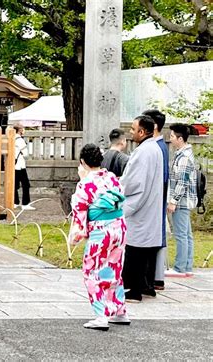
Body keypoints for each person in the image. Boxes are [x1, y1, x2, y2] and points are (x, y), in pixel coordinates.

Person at [69, 144, 129, 331]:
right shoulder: (111, 178)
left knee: (92, 271)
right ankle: (119, 310)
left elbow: (80, 213)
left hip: (100, 231)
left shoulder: (85, 184)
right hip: (119, 227)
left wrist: (76, 236)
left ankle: (101, 315)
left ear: (82, 162)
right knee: (114, 268)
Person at [120, 115, 164, 303]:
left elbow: (133, 182)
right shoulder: (154, 149)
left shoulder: (143, 152)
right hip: (150, 205)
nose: (131, 133)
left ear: (142, 131)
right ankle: (146, 287)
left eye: (133, 129)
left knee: (134, 252)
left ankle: (133, 291)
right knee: (145, 252)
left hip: (140, 207)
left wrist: (118, 188)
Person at [165, 123, 197, 277]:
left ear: (180, 138)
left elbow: (182, 182)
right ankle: (187, 266)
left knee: (181, 235)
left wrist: (173, 201)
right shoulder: (183, 154)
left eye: (172, 136)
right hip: (185, 200)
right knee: (187, 234)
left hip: (182, 201)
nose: (170, 139)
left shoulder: (184, 157)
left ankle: (180, 268)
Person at [142, 109, 169, 292]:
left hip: (153, 204)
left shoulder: (157, 147)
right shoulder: (156, 146)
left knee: (152, 242)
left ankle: (153, 280)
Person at [13, 123, 34, 210]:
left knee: (15, 184)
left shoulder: (12, 138)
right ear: (20, 130)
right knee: (25, 184)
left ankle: (15, 202)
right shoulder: (20, 140)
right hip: (20, 165)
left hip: (14, 165)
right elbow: (25, 154)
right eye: (23, 128)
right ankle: (25, 203)